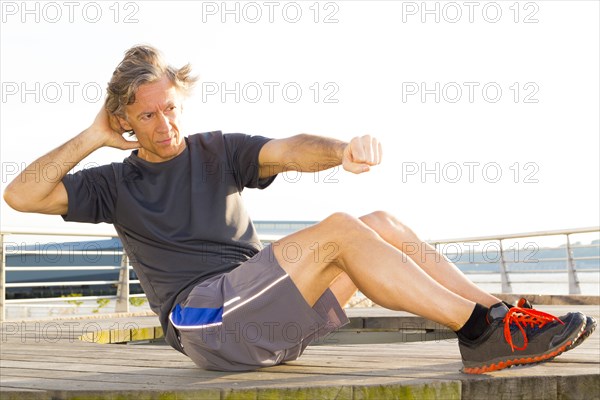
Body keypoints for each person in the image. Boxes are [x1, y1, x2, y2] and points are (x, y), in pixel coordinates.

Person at [4, 45, 595, 374]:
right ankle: (477, 330)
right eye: (149, 114)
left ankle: (499, 321)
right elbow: (21, 195)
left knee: (380, 223)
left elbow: (287, 150)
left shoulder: (217, 151)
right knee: (339, 230)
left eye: (171, 107)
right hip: (205, 325)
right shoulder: (111, 184)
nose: (167, 123)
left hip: (262, 313)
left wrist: (341, 150)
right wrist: (89, 138)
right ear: (125, 122)